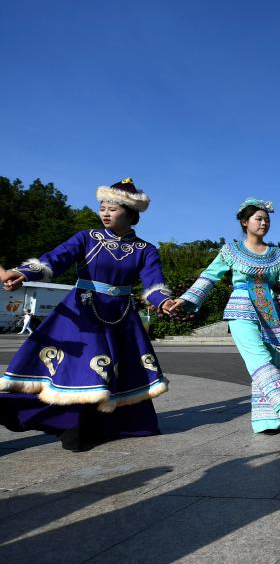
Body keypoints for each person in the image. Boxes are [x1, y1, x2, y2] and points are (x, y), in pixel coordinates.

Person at [0, 178, 173, 451]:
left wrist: (164, 302)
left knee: (117, 372)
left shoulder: (145, 250)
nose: (105, 213)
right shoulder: (87, 237)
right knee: (85, 368)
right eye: (102, 207)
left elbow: (153, 284)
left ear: (130, 213)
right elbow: (54, 259)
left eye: (113, 209)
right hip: (83, 310)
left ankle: (99, 426)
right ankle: (73, 426)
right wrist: (22, 273)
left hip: (121, 315)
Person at [167, 198, 280, 434]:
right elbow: (210, 276)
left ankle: (267, 420)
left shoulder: (278, 254)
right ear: (244, 222)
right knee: (257, 356)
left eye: (267, 219)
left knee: (271, 358)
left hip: (269, 310)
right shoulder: (231, 250)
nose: (264, 223)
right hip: (240, 307)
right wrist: (186, 298)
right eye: (258, 219)